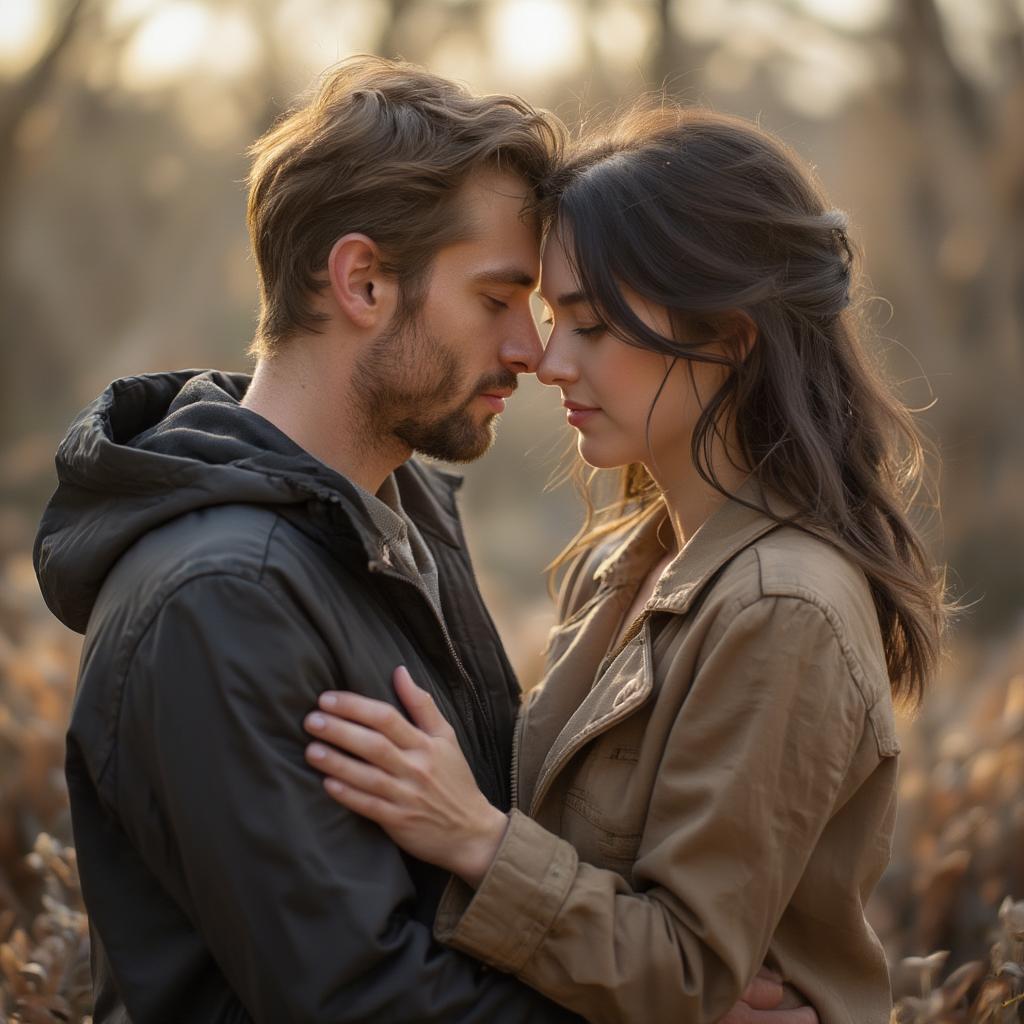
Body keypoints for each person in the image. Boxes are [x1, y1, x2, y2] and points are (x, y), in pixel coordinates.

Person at [33, 60, 813, 1022]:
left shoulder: (395, 523)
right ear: (362, 280)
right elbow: (367, 1003)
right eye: (497, 300)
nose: (532, 350)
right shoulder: (220, 599)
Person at [300, 106, 951, 1023]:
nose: (550, 360)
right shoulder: (618, 563)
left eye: (592, 325)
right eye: (548, 316)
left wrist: (478, 840)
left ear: (729, 332)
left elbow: (686, 973)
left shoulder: (781, 607)